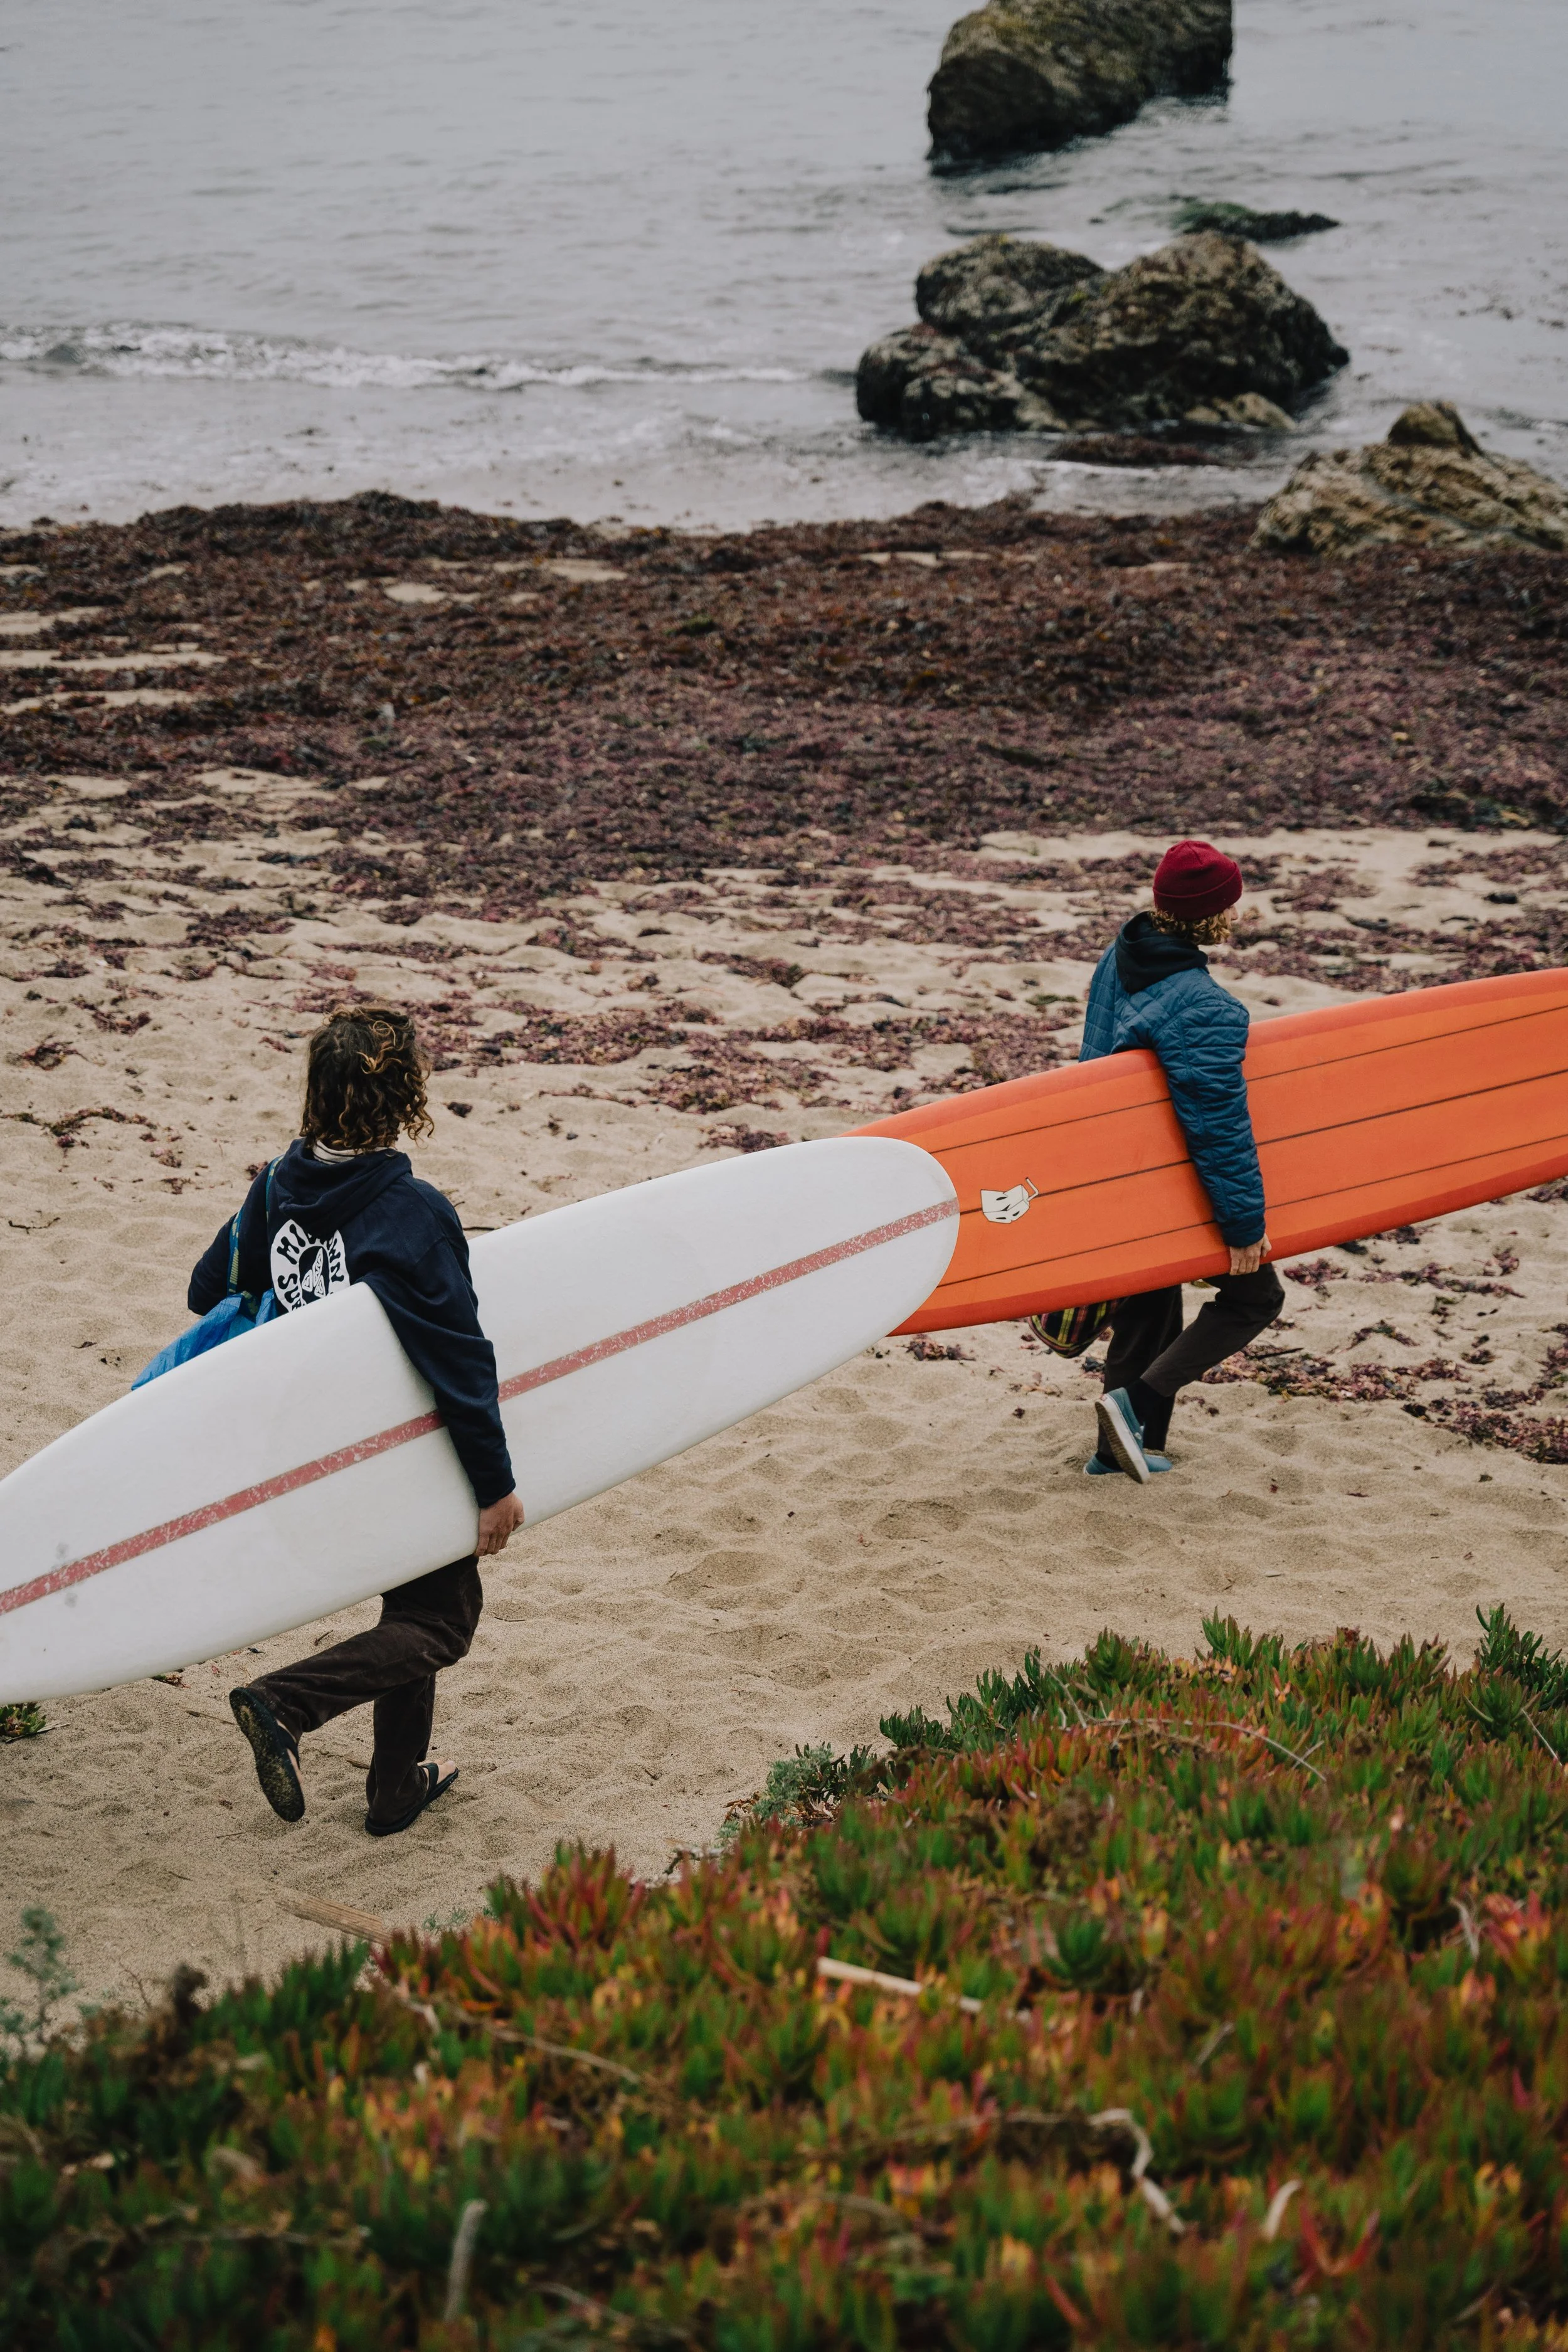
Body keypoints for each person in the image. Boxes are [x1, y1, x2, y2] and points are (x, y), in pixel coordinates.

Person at [203, 1004, 524, 1835]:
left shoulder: (278, 1186)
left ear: (318, 1093)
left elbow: (211, 1288)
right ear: (407, 1096)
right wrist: (495, 1486)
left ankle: (394, 1788)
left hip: (304, 1447)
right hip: (397, 1449)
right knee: (442, 1623)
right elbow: (460, 1361)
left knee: (413, 1603)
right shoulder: (410, 1213)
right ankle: (286, 1703)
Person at [1079, 840, 1283, 1482]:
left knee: (1150, 1299)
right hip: (1174, 1177)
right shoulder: (1204, 1007)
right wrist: (1243, 1226)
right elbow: (1217, 1126)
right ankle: (1137, 1405)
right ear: (1212, 917)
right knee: (1254, 1296)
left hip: (1119, 1166)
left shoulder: (1124, 954)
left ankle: (1119, 1452)